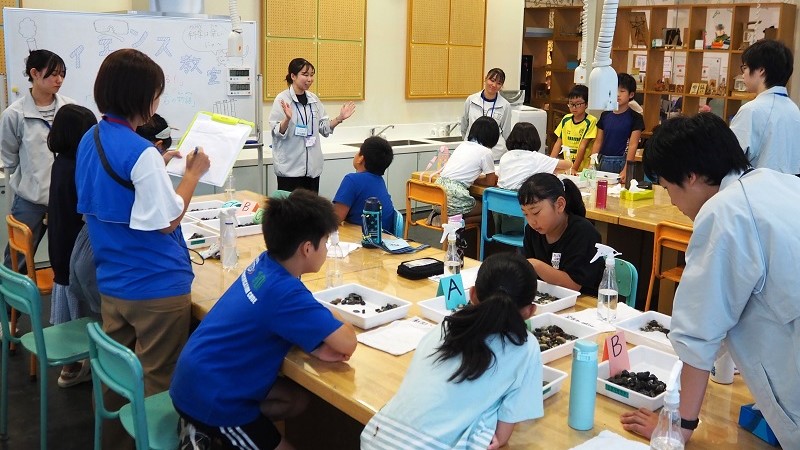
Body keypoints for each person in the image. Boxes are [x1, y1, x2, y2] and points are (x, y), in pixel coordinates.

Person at [621, 113, 800, 449]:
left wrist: (677, 427)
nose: (672, 202)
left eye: (668, 188)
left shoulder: (724, 212)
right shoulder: (780, 183)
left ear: (691, 176)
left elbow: (698, 333)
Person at [75, 48, 210, 447]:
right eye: (156, 92)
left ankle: (113, 440)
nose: (157, 100)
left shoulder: (90, 137)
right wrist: (192, 175)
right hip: (155, 288)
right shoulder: (141, 152)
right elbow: (168, 220)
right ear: (143, 97)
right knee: (159, 380)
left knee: (117, 376)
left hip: (113, 280)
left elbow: (112, 194)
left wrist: (158, 165)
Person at [170, 189, 357, 450]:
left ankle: (211, 432)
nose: (326, 249)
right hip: (215, 399)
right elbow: (347, 342)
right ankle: (209, 426)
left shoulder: (266, 264)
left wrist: (314, 344)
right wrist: (332, 314)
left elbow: (281, 315)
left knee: (297, 400)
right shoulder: (285, 293)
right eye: (325, 242)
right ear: (307, 248)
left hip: (199, 375)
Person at [361, 252, 543, 449]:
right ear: (531, 311)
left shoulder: (446, 327)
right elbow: (500, 436)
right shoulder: (526, 346)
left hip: (377, 438)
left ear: (472, 294)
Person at [1, 50, 74, 272]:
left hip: (64, 200)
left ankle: (62, 295)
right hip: (30, 201)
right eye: (53, 74)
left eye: (62, 74)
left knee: (67, 259)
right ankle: (12, 295)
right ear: (34, 73)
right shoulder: (14, 114)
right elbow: (9, 157)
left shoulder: (70, 109)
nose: (59, 80)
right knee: (17, 261)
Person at [45, 104, 97, 388]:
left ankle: (71, 364)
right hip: (74, 252)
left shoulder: (61, 162)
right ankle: (78, 362)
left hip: (60, 246)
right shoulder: (79, 168)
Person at [269, 58, 356, 193]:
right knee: (291, 206)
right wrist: (287, 119)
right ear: (293, 76)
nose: (309, 79)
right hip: (290, 170)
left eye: (311, 75)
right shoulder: (282, 99)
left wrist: (340, 118)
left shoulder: (313, 99)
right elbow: (276, 132)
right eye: (305, 74)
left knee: (311, 206)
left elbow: (323, 127)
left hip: (312, 170)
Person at [518, 173, 604, 295]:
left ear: (559, 205)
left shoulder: (583, 232)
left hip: (585, 301)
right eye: (525, 214)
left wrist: (535, 265)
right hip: (548, 297)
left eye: (536, 212)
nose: (532, 221)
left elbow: (573, 285)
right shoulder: (532, 231)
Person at [729, 39, 800, 175]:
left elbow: (728, 158)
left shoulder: (752, 110)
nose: (743, 74)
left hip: (758, 185)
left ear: (761, 70)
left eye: (745, 68)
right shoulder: (794, 109)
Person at [436, 116, 499, 223]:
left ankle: (447, 220)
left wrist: (473, 179)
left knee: (478, 206)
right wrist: (479, 179)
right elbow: (490, 182)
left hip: (438, 195)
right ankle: (452, 222)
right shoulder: (486, 152)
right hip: (454, 198)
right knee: (489, 210)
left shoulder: (462, 145)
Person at [332, 136, 397, 232]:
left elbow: (335, 219)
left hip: (361, 235)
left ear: (361, 158)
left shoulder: (352, 180)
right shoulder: (380, 181)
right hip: (385, 236)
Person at [590, 73, 645, 185]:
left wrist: (626, 170)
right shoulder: (605, 115)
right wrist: (591, 163)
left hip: (621, 162)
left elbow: (633, 145)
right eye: (614, 90)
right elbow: (598, 142)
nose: (617, 94)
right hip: (602, 161)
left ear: (631, 94)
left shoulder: (635, 117)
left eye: (622, 91)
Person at [461, 68, 513, 161]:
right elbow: (464, 126)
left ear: (501, 86)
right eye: (492, 80)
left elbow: (506, 133)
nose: (494, 85)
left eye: (499, 83)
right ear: (485, 79)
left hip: (495, 154)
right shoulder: (471, 100)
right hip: (472, 152)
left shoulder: (505, 105)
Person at [498, 121, 570, 190]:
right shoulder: (535, 157)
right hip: (521, 197)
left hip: (500, 196)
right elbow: (568, 165)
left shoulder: (505, 156)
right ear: (535, 139)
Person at [549, 85, 598, 174]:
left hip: (583, 168)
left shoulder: (591, 121)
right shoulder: (566, 119)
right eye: (571, 104)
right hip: (568, 165)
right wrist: (550, 164)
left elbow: (583, 146)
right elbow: (558, 143)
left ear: (586, 104)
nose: (574, 107)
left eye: (578, 104)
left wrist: (574, 168)